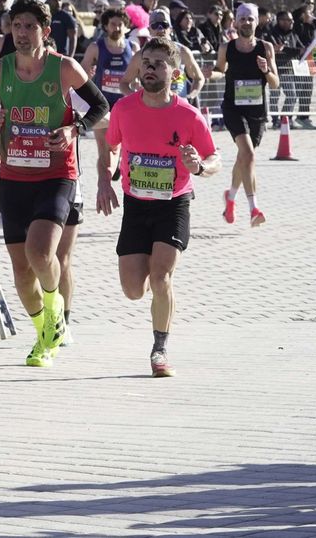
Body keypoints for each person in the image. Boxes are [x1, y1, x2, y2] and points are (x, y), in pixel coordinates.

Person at [0, 0, 108, 368]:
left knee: (42, 254)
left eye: (30, 26)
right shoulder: (1, 70)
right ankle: (43, 335)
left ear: (46, 32)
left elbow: (100, 106)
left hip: (56, 175)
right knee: (20, 270)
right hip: (13, 176)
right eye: (17, 26)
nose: (22, 33)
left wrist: (73, 129)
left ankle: (55, 308)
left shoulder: (63, 68)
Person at [97, 37, 219, 377]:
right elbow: (110, 149)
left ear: (175, 72)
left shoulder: (189, 115)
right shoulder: (124, 109)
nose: (149, 69)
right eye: (145, 62)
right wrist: (104, 180)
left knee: (162, 276)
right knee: (133, 290)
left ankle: (160, 349)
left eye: (158, 64)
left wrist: (199, 166)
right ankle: (153, 283)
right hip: (136, 205)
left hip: (173, 204)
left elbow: (214, 158)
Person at [216, 4, 277, 227]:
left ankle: (230, 198)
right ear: (235, 22)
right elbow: (219, 70)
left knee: (244, 157)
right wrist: (207, 74)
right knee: (249, 154)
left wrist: (266, 70)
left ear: (256, 22)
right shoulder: (226, 48)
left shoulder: (266, 47)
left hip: (257, 112)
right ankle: (254, 209)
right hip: (233, 107)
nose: (246, 22)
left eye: (250, 19)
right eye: (242, 18)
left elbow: (275, 83)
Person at [83, 8, 135, 183]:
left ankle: (118, 162)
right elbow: (81, 74)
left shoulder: (133, 48)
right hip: (101, 105)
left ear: (126, 27)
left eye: (120, 25)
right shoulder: (95, 47)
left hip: (125, 106)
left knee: (118, 146)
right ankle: (104, 186)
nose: (117, 28)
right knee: (104, 148)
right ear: (105, 26)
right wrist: (88, 76)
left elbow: (139, 75)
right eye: (113, 24)